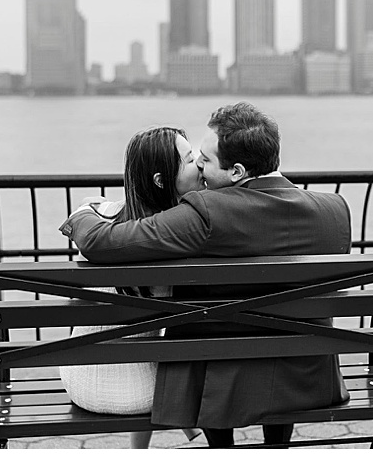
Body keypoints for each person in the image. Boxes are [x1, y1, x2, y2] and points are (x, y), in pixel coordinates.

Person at [59, 102, 352, 448]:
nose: (198, 163)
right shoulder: (335, 211)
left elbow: (101, 242)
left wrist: (83, 213)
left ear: (237, 172)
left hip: (221, 380)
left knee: (206, 337)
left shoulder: (208, 211)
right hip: (311, 378)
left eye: (206, 159)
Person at [58, 126, 204, 450]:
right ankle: (185, 435)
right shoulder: (183, 237)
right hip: (150, 391)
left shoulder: (104, 221)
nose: (200, 165)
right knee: (157, 351)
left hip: (80, 379)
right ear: (161, 181)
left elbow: (87, 211)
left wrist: (87, 208)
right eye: (191, 159)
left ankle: (144, 449)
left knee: (136, 343)